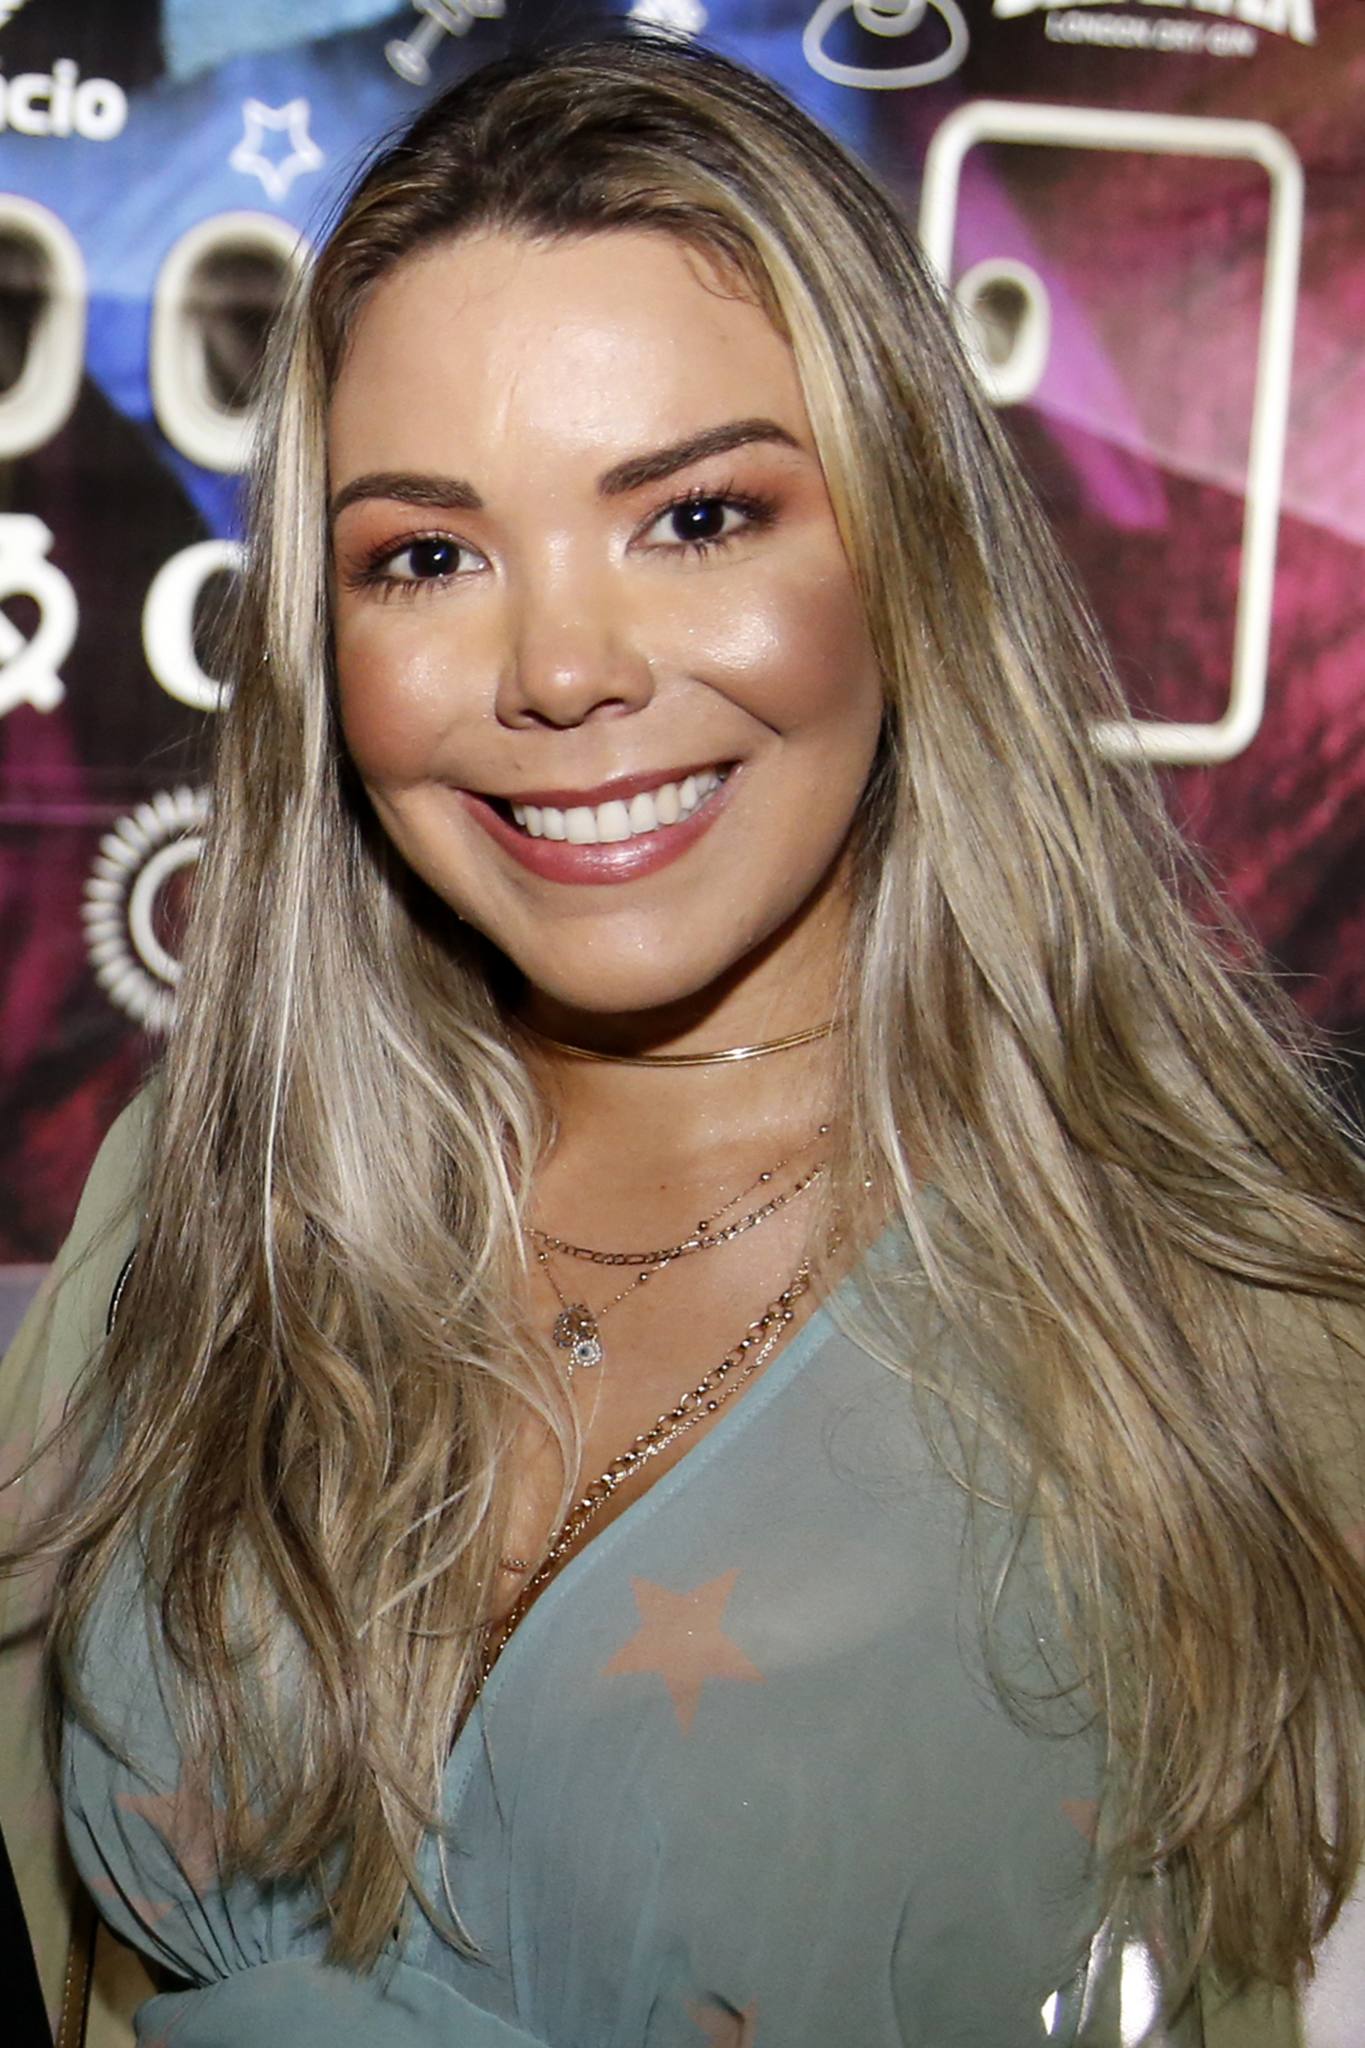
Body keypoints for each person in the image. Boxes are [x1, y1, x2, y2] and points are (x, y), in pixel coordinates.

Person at [4, 30, 1365, 2048]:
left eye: (698, 517)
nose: (560, 668)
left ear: (906, 547)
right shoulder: (193, 1214)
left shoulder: (1248, 1333)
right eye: (427, 556)